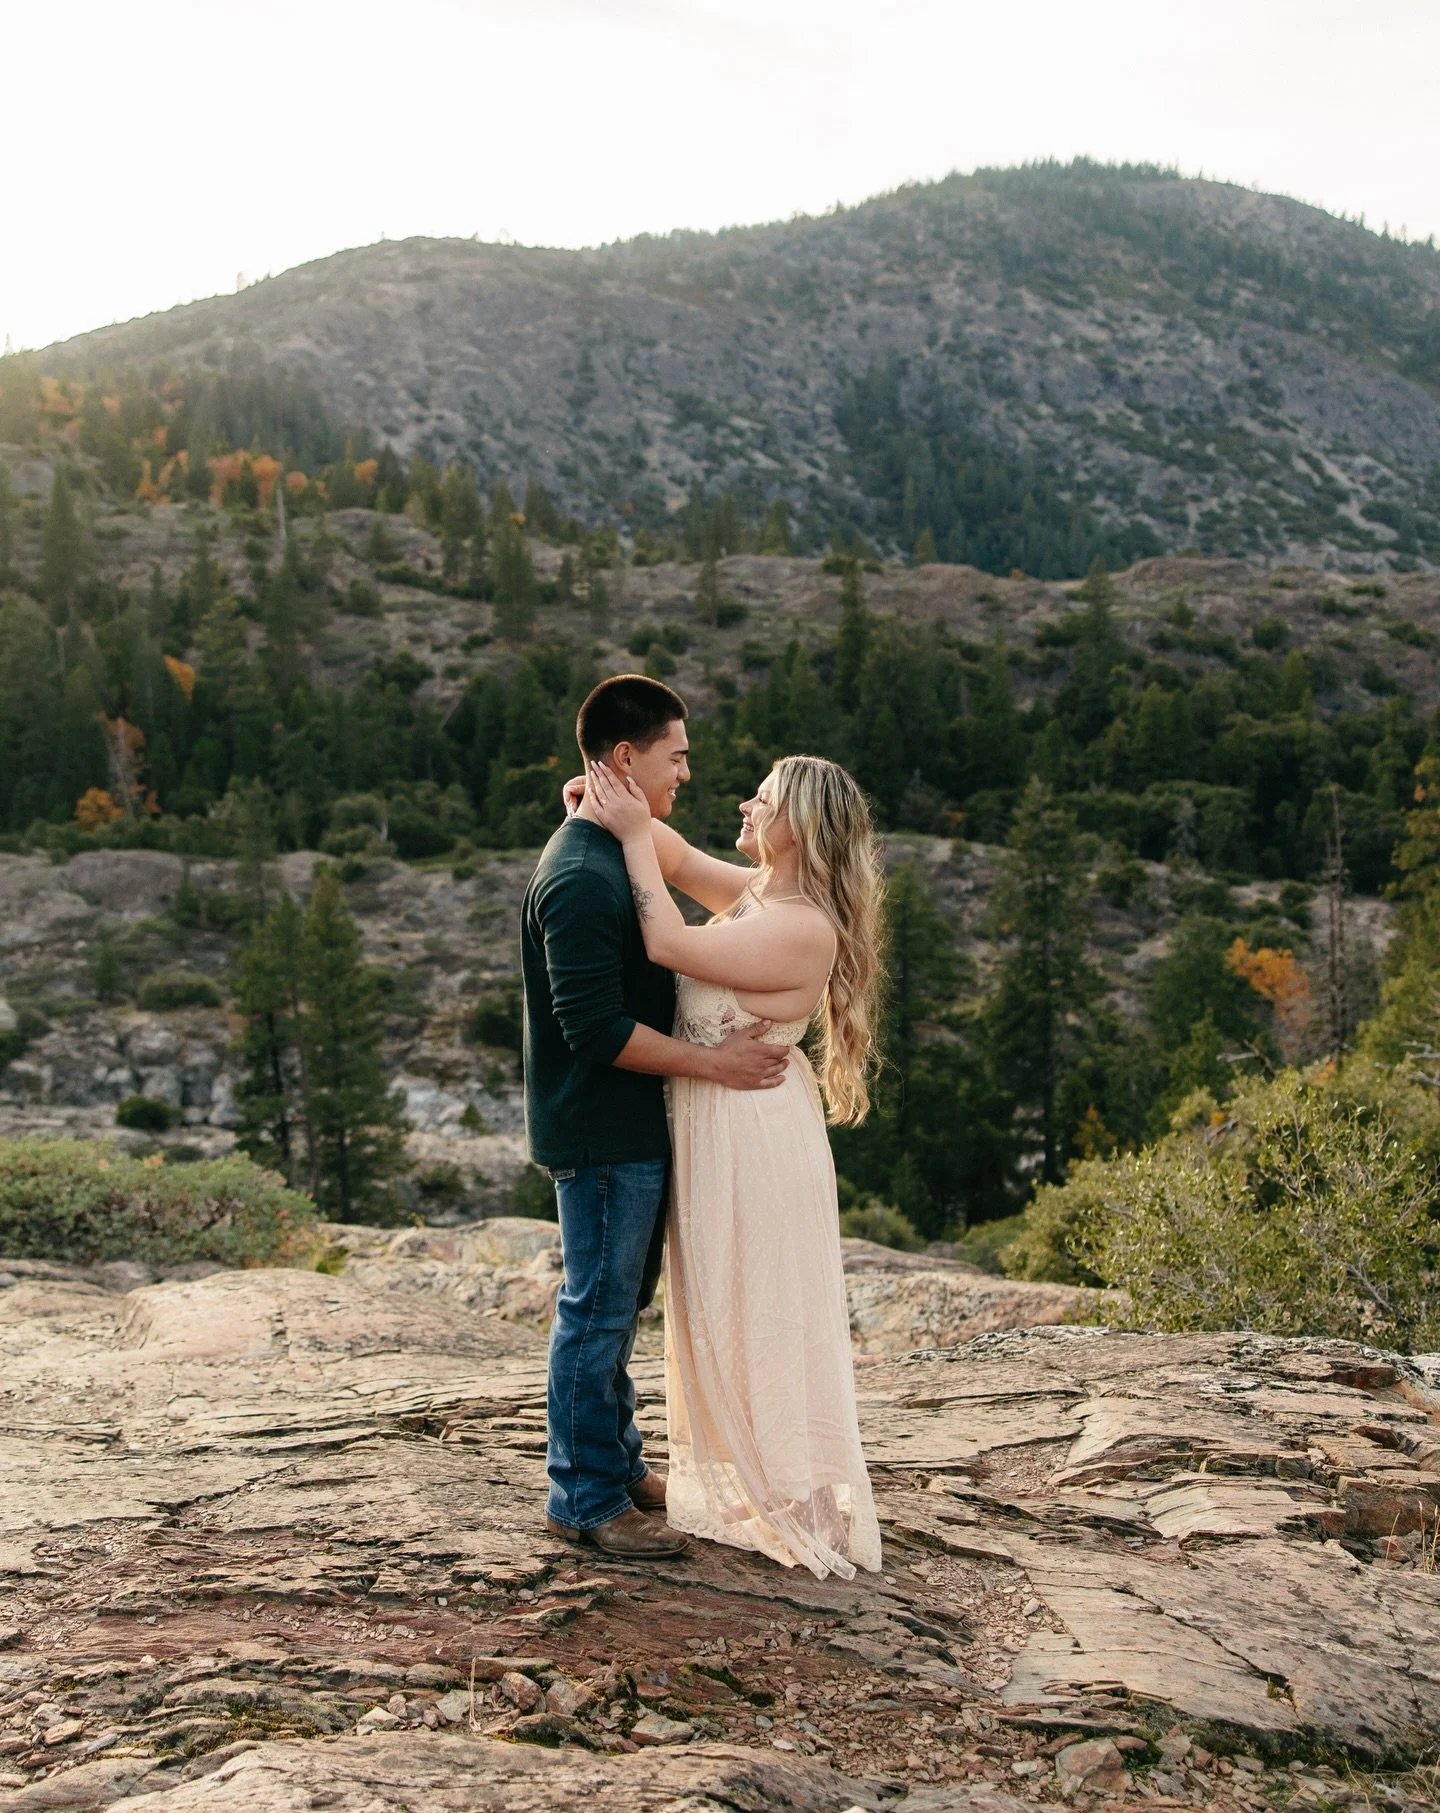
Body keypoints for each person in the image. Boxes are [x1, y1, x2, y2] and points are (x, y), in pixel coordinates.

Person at [586, 750, 884, 1580]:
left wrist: (631, 830)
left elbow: (665, 939)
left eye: (765, 796)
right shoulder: (763, 896)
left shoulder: (803, 924)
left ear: (799, 828)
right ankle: (769, 1476)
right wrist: (611, 801)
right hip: (726, 1125)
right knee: (730, 1298)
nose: (746, 802)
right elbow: (673, 857)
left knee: (763, 1306)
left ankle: (794, 1490)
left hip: (756, 1138)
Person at [521, 674, 789, 1561]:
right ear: (627, 759)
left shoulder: (612, 850)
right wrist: (716, 1064)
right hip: (602, 1126)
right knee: (596, 1310)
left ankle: (618, 1462)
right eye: (676, 756)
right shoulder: (579, 877)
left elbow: (690, 867)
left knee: (617, 1306)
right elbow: (596, 1030)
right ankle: (584, 1498)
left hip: (632, 1124)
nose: (687, 773)